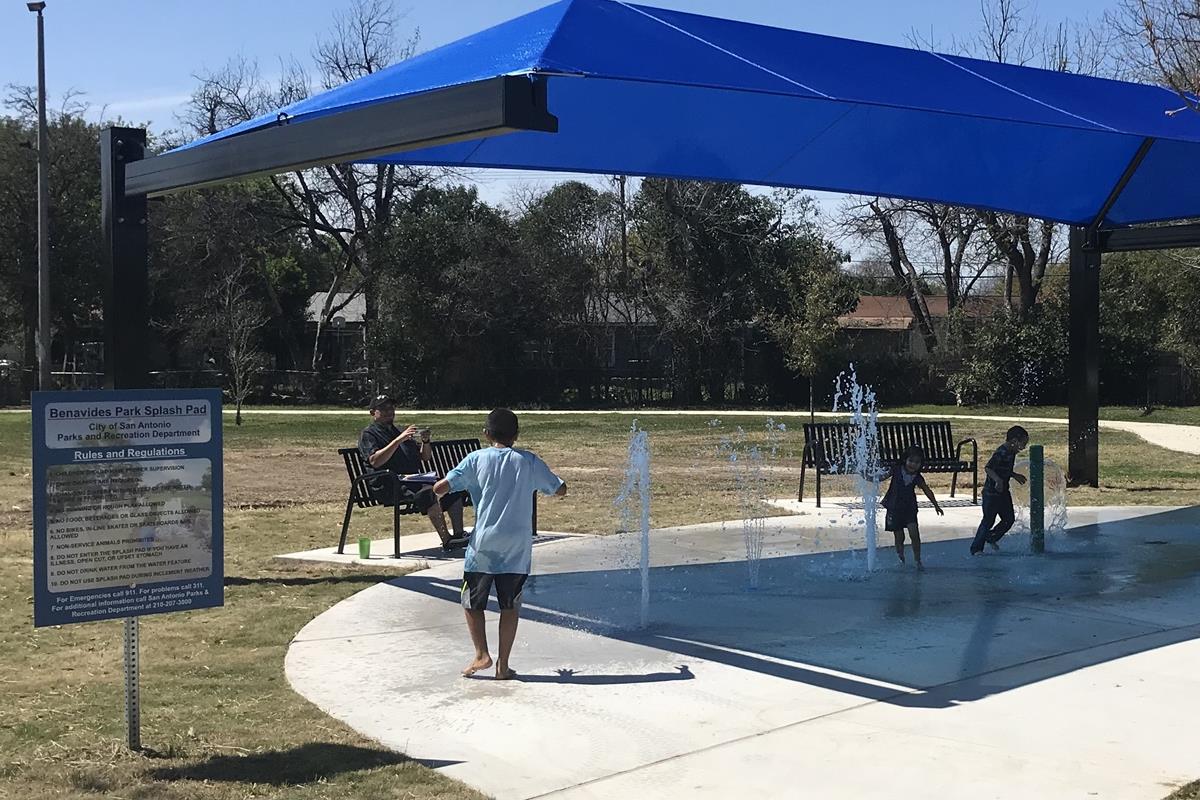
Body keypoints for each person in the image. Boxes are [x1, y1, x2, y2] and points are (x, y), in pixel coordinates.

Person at [432, 408, 566, 681]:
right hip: (517, 547)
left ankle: (481, 654)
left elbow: (441, 488)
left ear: (486, 433)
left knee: (472, 601)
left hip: (484, 545)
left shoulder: (476, 459)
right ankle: (503, 666)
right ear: (517, 435)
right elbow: (559, 488)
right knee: (510, 605)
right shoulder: (528, 461)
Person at [358, 394, 469, 551]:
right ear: (372, 413)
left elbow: (425, 456)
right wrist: (398, 440)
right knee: (428, 492)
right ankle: (446, 540)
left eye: (391, 408)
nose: (389, 412)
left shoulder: (399, 431)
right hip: (390, 484)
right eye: (383, 409)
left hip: (412, 480)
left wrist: (425, 441)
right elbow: (376, 461)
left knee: (450, 487)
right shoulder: (369, 434)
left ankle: (458, 535)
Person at [881, 445, 944, 571]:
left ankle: (917, 560)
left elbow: (927, 490)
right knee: (899, 537)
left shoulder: (918, 477)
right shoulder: (896, 469)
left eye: (917, 462)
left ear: (921, 464)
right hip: (894, 507)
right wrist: (868, 477)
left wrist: (936, 505)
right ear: (905, 459)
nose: (913, 465)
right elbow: (882, 477)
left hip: (909, 508)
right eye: (911, 461)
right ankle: (901, 558)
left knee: (914, 533)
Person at [970, 425, 1030, 555]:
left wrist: (1014, 475)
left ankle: (991, 538)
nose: (1023, 447)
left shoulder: (1012, 452)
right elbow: (988, 468)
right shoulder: (1001, 452)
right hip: (991, 493)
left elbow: (1005, 469)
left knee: (1009, 519)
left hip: (1003, 492)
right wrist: (997, 480)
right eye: (1022, 444)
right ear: (1014, 441)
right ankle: (976, 549)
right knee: (988, 520)